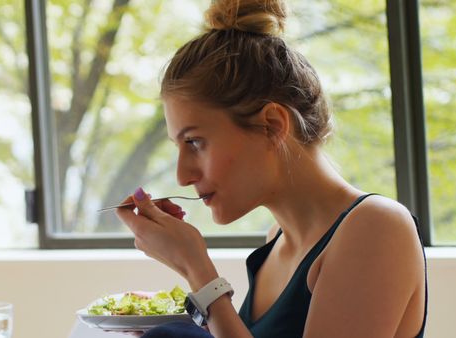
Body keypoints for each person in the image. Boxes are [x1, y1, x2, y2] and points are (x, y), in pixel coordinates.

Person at [115, 0, 427, 337]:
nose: (182, 175)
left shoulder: (377, 227)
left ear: (272, 125)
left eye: (195, 142)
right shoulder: (276, 240)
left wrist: (198, 271)